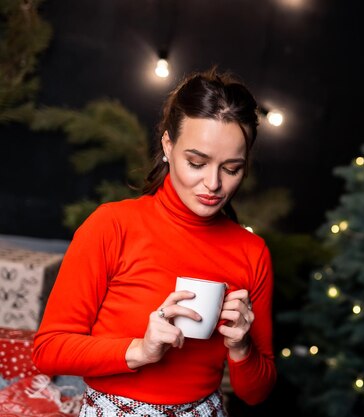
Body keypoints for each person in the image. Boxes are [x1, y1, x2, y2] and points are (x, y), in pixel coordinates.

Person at [32, 67, 276, 416]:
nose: (213, 183)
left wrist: (241, 348)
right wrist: (140, 351)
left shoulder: (252, 252)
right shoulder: (112, 225)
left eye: (232, 168)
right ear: (167, 145)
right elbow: (48, 350)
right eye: (197, 162)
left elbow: (257, 393)